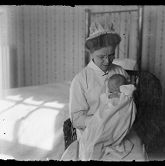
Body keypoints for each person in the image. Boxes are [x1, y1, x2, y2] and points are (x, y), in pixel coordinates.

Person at [60, 21, 147, 161]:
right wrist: (102, 121)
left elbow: (128, 104)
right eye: (102, 57)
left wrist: (118, 120)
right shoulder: (81, 80)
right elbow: (76, 119)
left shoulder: (120, 71)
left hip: (120, 133)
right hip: (93, 133)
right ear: (91, 53)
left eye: (112, 55)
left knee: (138, 155)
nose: (107, 61)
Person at [78, 74, 136, 161]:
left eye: (113, 90)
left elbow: (123, 110)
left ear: (122, 87)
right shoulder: (109, 94)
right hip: (105, 117)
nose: (111, 93)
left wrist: (118, 95)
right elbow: (104, 106)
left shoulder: (125, 96)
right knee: (95, 127)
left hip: (115, 118)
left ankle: (99, 140)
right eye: (110, 90)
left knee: (103, 129)